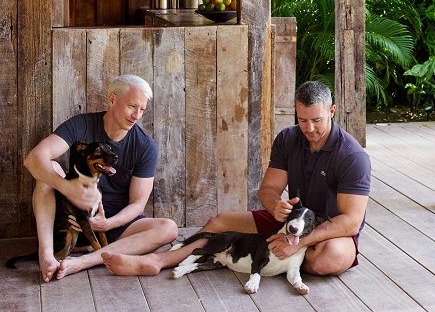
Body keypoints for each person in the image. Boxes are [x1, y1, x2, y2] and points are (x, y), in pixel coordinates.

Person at [102, 80, 371, 277]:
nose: (309, 129)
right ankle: (160, 260)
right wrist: (275, 204)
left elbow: (350, 221)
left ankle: (260, 256)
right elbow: (268, 189)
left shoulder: (352, 156)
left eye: (317, 120)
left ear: (332, 111)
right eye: (302, 120)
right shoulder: (288, 138)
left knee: (327, 260)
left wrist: (300, 243)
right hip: (290, 223)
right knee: (220, 222)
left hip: (327, 230)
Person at [24, 74, 178, 282]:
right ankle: (47, 255)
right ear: (112, 100)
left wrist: (107, 224)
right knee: (47, 167)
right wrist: (69, 190)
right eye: (132, 106)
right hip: (74, 217)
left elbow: (138, 204)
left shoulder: (145, 146)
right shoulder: (81, 125)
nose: (137, 116)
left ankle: (84, 262)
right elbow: (33, 159)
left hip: (115, 224)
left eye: (142, 109)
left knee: (169, 228)